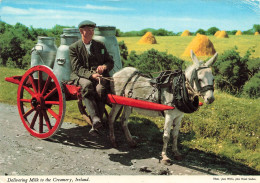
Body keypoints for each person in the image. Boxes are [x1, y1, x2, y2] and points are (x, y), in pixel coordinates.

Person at [69, 20, 114, 133]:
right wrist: (91, 75)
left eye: (92, 30)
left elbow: (110, 62)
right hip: (81, 75)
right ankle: (95, 118)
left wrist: (104, 67)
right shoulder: (74, 48)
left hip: (99, 77)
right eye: (88, 30)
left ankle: (96, 123)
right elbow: (77, 68)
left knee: (100, 89)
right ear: (81, 31)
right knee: (87, 85)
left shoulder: (100, 45)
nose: (91, 32)